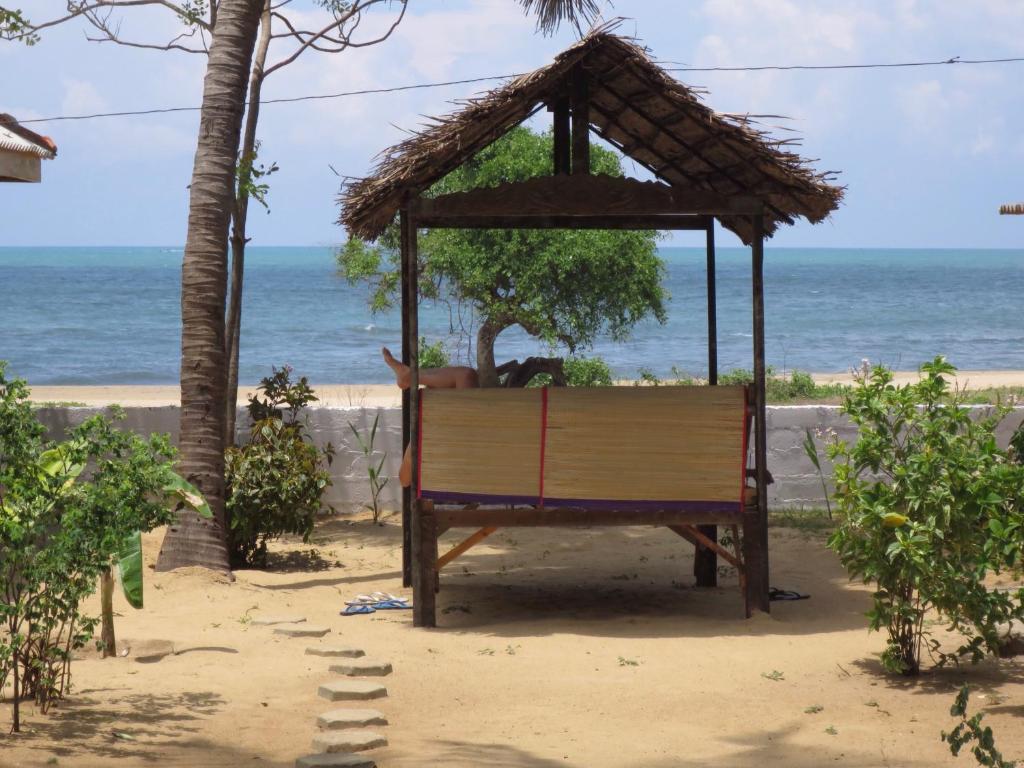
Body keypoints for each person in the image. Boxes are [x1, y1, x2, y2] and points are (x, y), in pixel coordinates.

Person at [382, 347, 479, 486]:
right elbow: (465, 376)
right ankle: (410, 376)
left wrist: (413, 444)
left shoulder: (427, 438)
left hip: (454, 476)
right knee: (466, 375)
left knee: (465, 375)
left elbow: (404, 480)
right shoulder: (455, 431)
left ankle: (409, 376)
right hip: (476, 469)